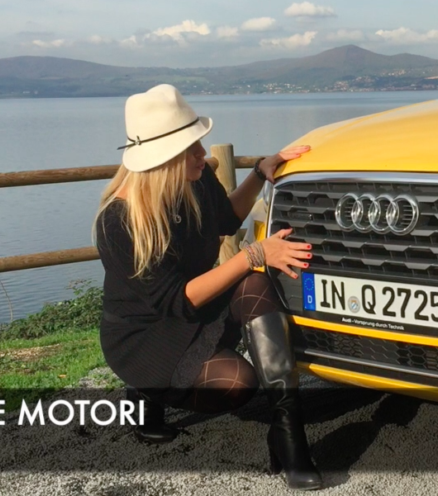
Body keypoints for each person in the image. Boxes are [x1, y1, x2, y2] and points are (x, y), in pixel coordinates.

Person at [94, 84, 322, 491]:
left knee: (254, 282)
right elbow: (178, 302)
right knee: (236, 384)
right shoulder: (119, 222)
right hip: (145, 336)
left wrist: (259, 172)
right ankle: (145, 392)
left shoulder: (195, 182)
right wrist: (255, 253)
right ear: (164, 159)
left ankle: (289, 437)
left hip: (192, 308)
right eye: (192, 149)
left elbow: (227, 219)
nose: (204, 154)